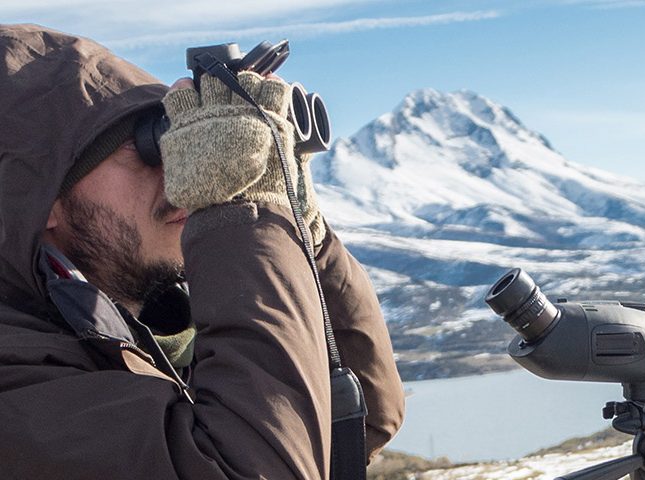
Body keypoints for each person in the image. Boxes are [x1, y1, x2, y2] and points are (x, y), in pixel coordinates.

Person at [0, 24, 404, 479]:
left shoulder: (140, 325)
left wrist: (297, 227)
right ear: (29, 197)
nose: (178, 176)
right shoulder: (17, 378)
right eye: (148, 148)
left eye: (184, 143)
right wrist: (241, 206)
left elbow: (355, 421)